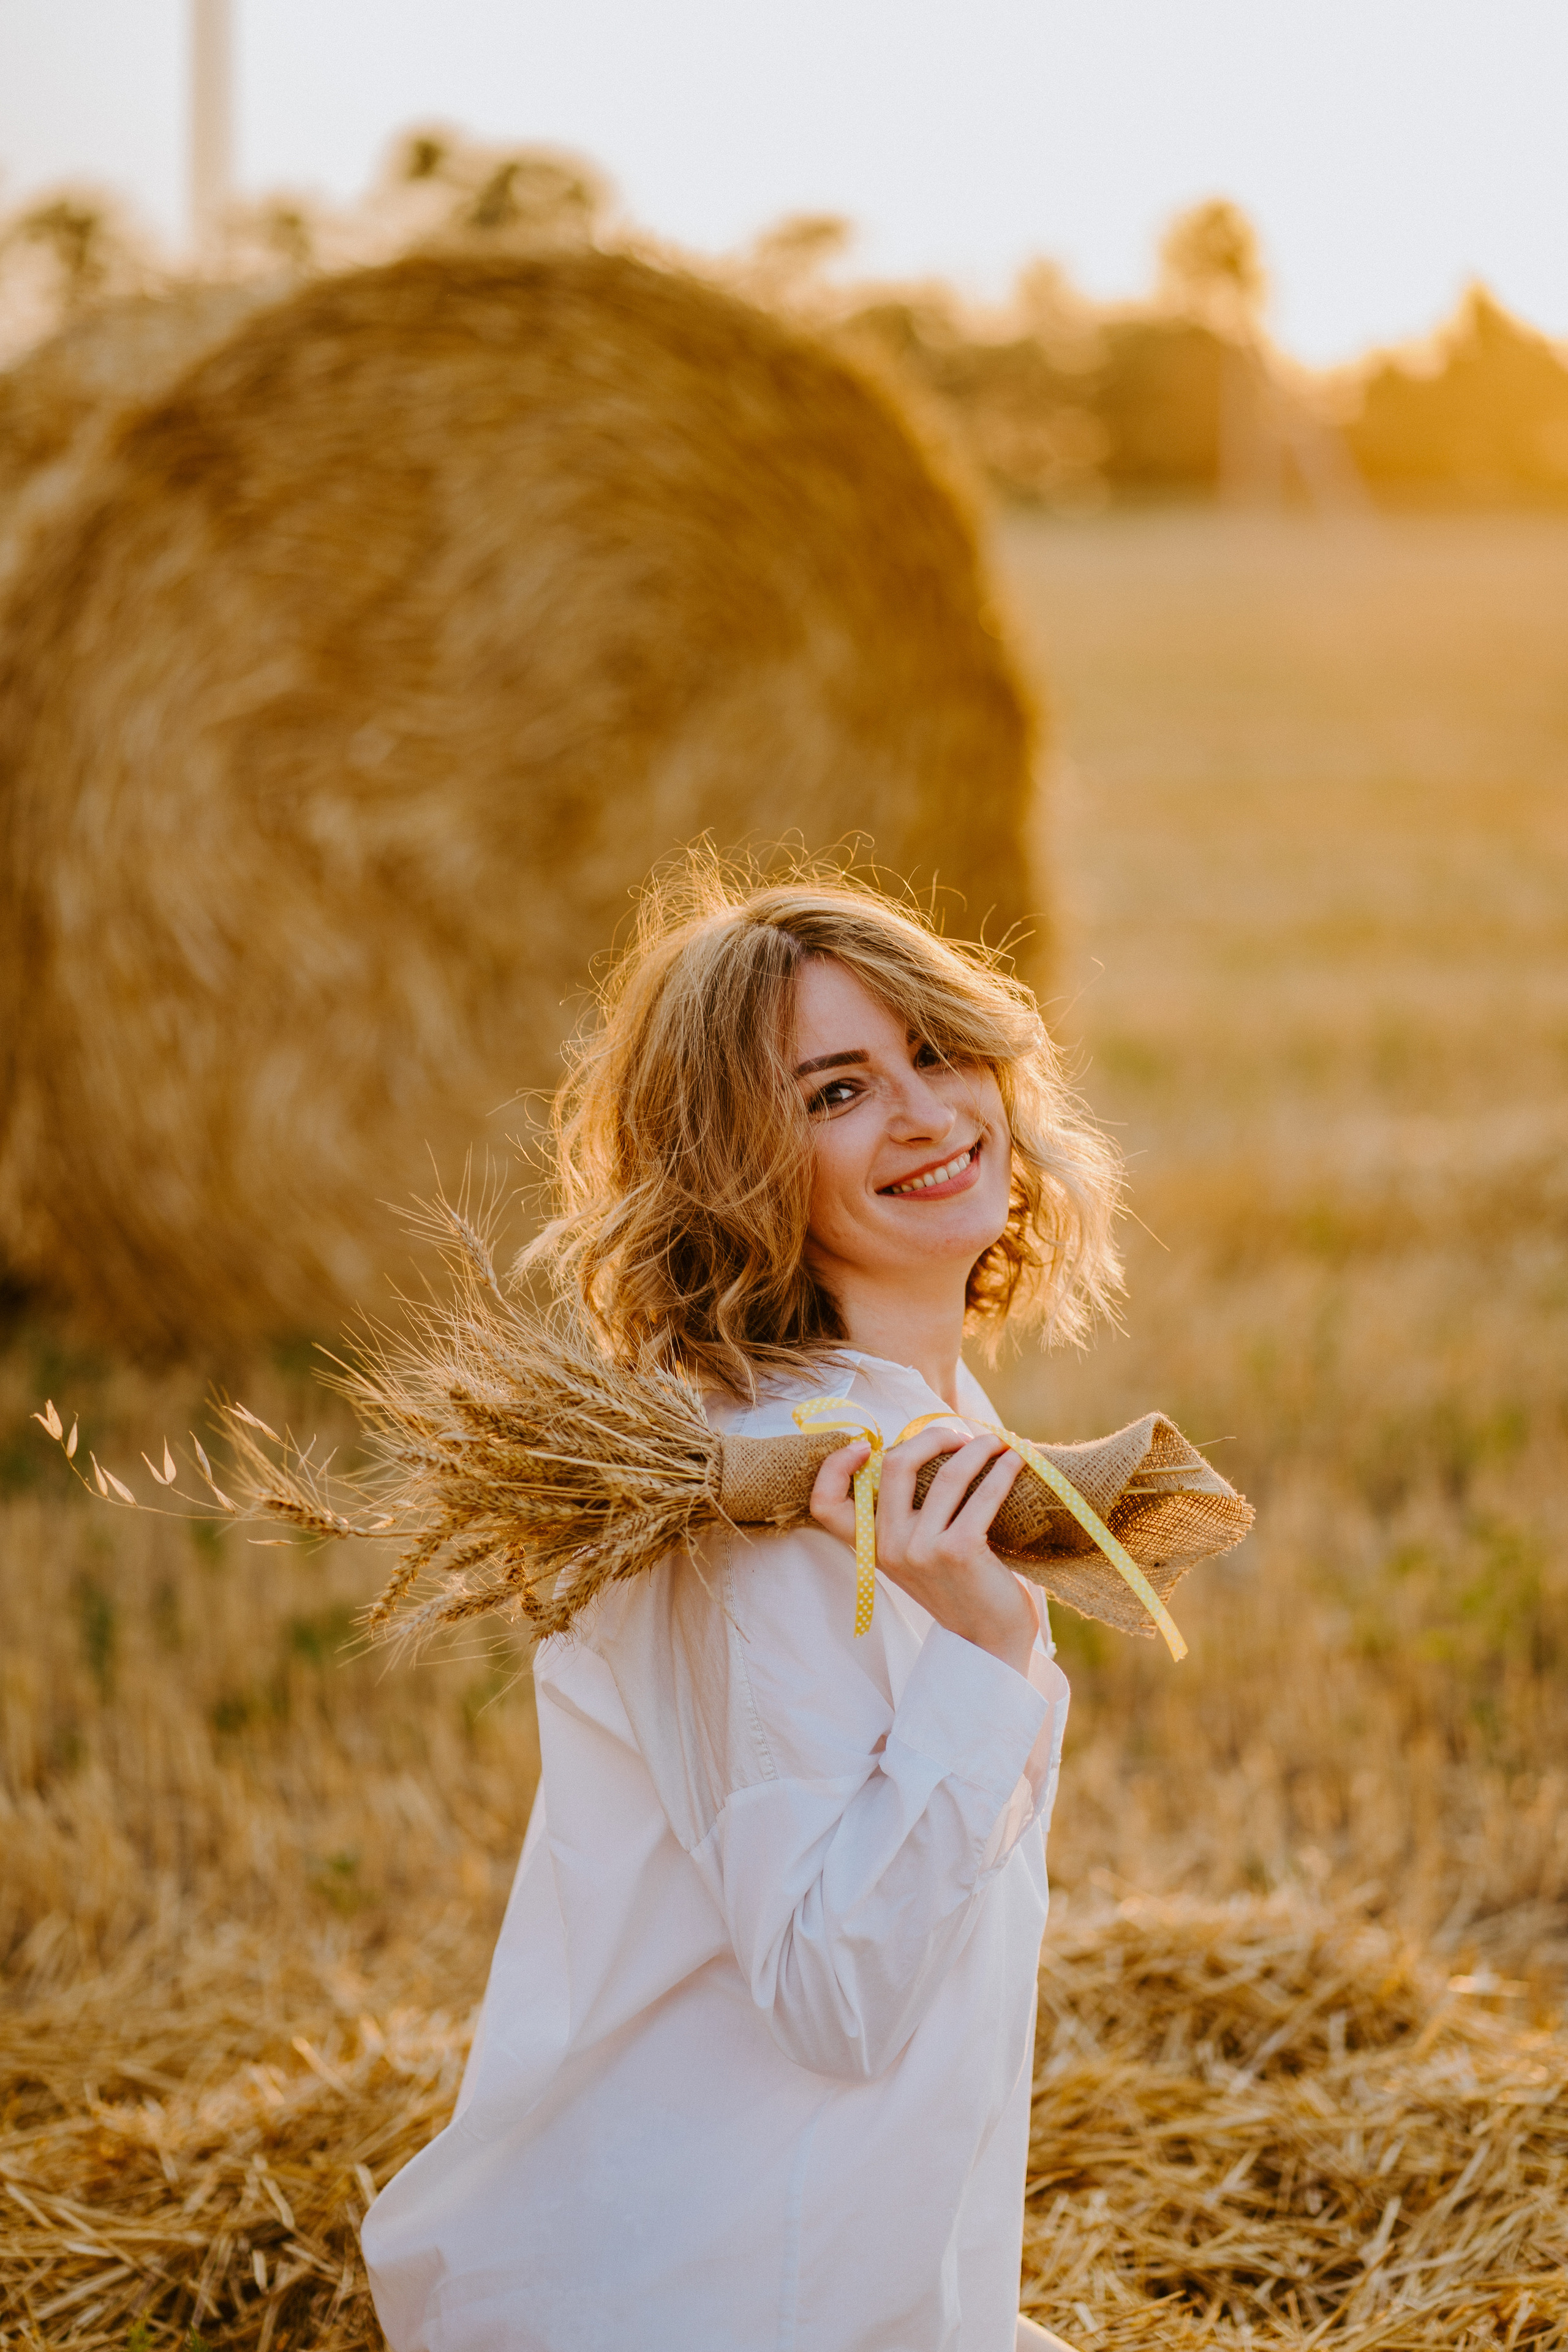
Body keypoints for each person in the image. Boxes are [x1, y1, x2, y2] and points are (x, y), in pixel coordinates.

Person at [362, 862, 1122, 2352]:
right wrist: (992, 1648)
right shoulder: (760, 1512)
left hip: (861, 2279)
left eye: (933, 1050)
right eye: (835, 1092)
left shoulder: (899, 1428)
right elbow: (834, 1996)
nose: (923, 1113)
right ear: (734, 1164)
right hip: (708, 2298)